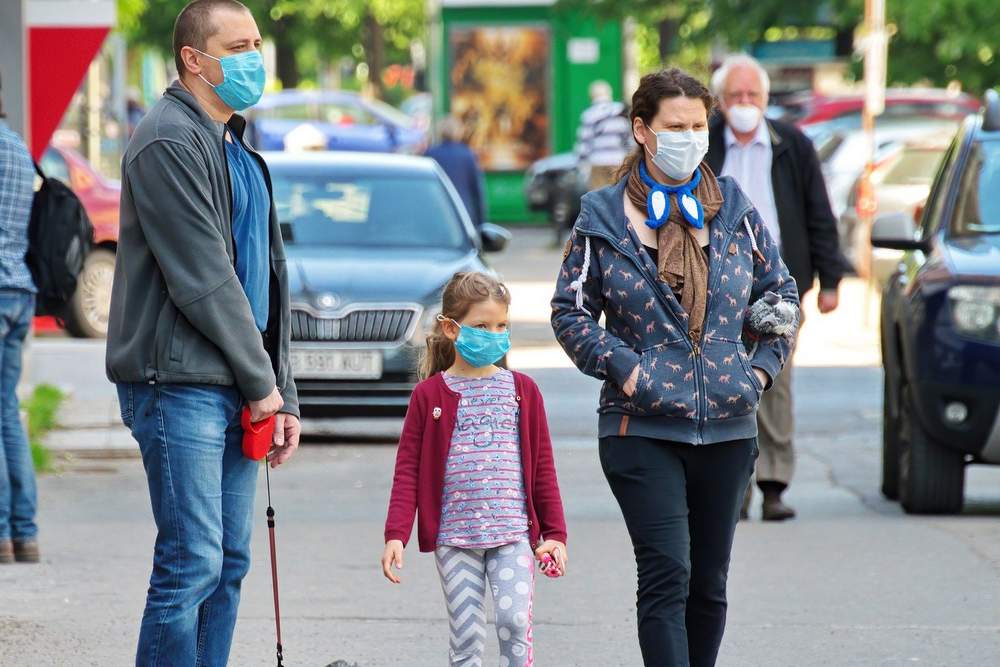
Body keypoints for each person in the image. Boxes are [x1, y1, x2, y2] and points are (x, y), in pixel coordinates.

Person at [551, 68, 799, 667]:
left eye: (697, 126)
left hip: (728, 426)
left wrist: (758, 374)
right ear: (643, 130)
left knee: (708, 585)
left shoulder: (734, 209)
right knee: (668, 573)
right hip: (640, 429)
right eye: (675, 126)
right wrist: (624, 367)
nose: (689, 137)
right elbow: (570, 311)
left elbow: (781, 298)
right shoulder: (603, 216)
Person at [104, 1, 300, 663]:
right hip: (179, 382)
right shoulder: (167, 139)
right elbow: (204, 279)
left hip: (236, 383)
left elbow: (267, 282)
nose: (254, 58)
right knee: (191, 560)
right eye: (238, 45)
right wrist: (263, 387)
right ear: (194, 57)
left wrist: (283, 392)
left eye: (256, 43)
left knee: (229, 560)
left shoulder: (237, 147)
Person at [383, 272, 568, 667]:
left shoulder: (522, 390)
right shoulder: (429, 395)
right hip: (455, 537)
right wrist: (396, 533)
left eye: (501, 325)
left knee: (514, 621)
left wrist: (554, 534)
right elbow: (408, 471)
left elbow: (543, 469)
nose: (494, 334)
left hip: (512, 534)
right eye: (481, 326)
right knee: (467, 636)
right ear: (451, 328)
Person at [706, 54, 843, 522]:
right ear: (721, 102)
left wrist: (831, 279)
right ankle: (734, 488)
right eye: (735, 97)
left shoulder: (793, 145)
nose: (744, 104)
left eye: (752, 96)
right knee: (725, 380)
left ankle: (774, 483)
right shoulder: (705, 143)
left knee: (775, 380)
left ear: (766, 100)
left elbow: (818, 214)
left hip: (779, 281)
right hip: (717, 283)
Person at [0, 79, 41, 565]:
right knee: (7, 412)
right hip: (19, 289)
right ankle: (23, 533)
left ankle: (6, 533)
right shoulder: (16, 148)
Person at [425, 117, 486, 229]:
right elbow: (477, 191)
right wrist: (482, 223)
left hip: (437, 212)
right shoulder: (468, 155)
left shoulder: (431, 154)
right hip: (463, 213)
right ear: (458, 132)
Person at [575, 80, 633, 190]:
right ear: (609, 94)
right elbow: (629, 140)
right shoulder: (620, 111)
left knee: (599, 200)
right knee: (618, 198)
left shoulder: (589, 114)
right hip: (618, 162)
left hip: (598, 163)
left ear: (591, 96)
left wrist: (581, 164)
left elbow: (584, 144)